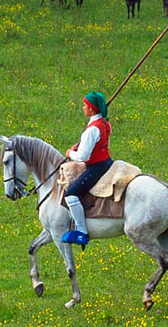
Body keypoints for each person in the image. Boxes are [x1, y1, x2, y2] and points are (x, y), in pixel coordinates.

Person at [62, 91, 113, 246]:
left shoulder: (92, 129)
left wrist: (71, 153)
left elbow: (83, 157)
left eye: (85, 105)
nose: (83, 107)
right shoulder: (104, 123)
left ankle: (82, 232)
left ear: (91, 109)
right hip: (107, 162)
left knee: (71, 195)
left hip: (96, 167)